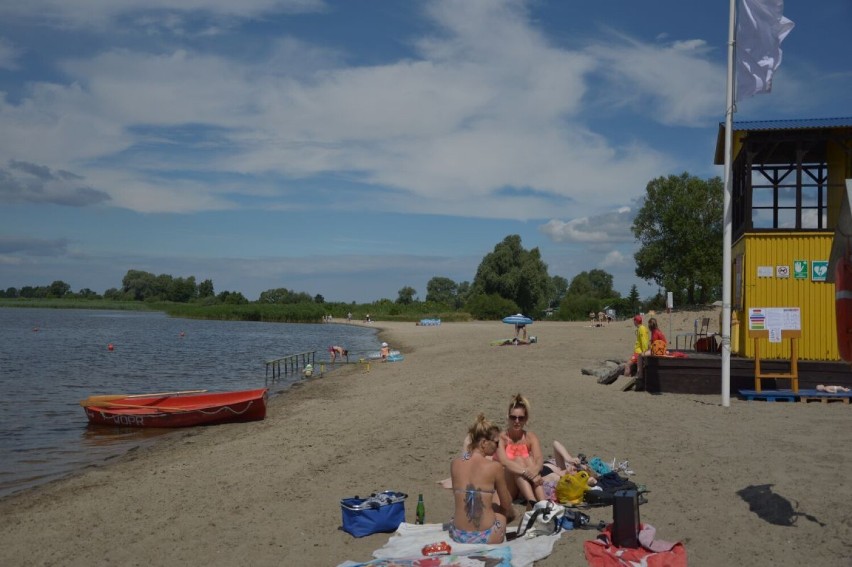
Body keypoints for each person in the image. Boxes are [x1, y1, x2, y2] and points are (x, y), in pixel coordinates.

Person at [449, 414, 515, 544]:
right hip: (487, 536)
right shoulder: (495, 467)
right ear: (484, 443)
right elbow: (506, 504)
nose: (497, 446)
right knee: (502, 508)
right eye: (496, 442)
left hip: (458, 534)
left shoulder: (455, 463)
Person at [494, 393, 545, 505]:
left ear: (525, 419)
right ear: (508, 417)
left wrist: (534, 473)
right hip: (508, 485)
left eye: (520, 418)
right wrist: (527, 472)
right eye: (513, 417)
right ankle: (533, 501)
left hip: (528, 483)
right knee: (517, 460)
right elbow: (504, 462)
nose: (517, 421)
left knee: (530, 460)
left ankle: (543, 504)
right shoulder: (502, 438)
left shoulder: (530, 437)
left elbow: (539, 459)